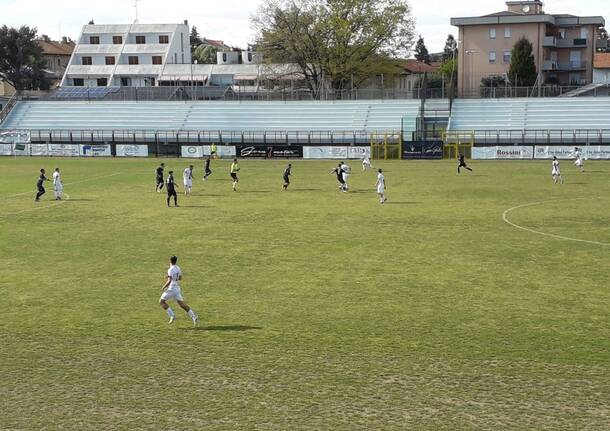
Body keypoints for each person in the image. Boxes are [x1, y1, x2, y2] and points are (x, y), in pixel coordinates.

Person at [159, 255, 198, 326]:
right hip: (177, 288)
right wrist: (170, 276)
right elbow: (180, 278)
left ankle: (172, 315)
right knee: (182, 304)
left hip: (172, 288)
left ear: (170, 261)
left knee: (161, 302)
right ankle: (193, 316)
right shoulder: (178, 268)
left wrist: (163, 287)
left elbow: (169, 281)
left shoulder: (170, 269)